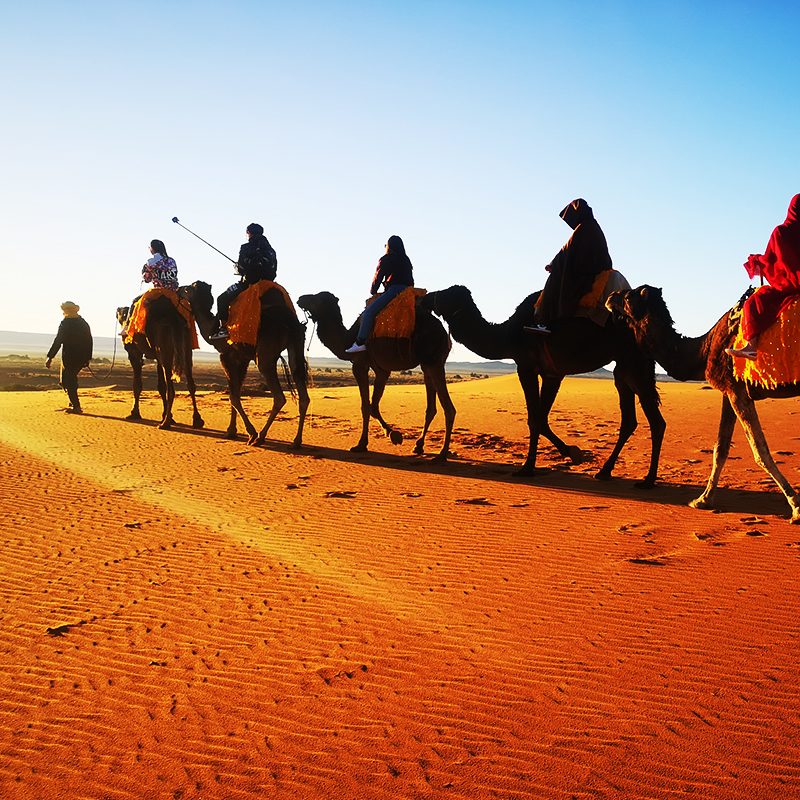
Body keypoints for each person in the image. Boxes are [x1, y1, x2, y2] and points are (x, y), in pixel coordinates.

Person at [726, 194, 800, 360]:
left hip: (793, 283)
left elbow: (778, 263)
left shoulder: (782, 232)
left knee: (754, 302)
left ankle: (751, 347)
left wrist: (756, 260)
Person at [525, 198, 613, 334]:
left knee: (554, 281)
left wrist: (555, 266)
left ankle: (545, 321)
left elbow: (570, 253)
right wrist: (554, 263)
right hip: (589, 269)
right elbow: (567, 250)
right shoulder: (588, 227)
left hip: (585, 272)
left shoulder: (585, 228)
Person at [345, 235, 414, 355]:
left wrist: (373, 291)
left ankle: (360, 343)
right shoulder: (406, 259)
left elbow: (378, 276)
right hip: (409, 291)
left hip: (394, 290)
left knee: (368, 313)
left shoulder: (387, 259)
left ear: (389, 247)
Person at [210, 223, 277, 340]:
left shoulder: (246, 247)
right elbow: (274, 269)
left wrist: (237, 267)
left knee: (222, 299)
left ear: (248, 233)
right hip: (269, 284)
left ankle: (223, 328)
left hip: (249, 284)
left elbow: (242, 268)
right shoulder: (271, 251)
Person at [45, 301, 93, 414]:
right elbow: (89, 341)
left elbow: (58, 340)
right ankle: (73, 402)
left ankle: (76, 406)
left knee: (68, 380)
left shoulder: (66, 323)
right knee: (68, 379)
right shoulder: (83, 323)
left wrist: (50, 356)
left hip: (70, 356)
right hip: (81, 356)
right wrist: (87, 358)